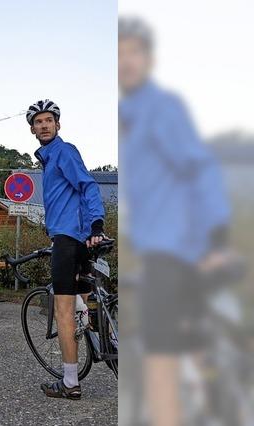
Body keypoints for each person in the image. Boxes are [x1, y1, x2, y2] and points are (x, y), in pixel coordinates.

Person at [119, 17, 231, 425]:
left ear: (148, 59)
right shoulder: (127, 113)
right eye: (118, 54)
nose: (125, 61)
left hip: (175, 244)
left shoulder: (161, 109)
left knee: (158, 358)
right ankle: (209, 378)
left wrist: (216, 237)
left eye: (133, 52)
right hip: (152, 248)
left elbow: (199, 168)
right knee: (176, 344)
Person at [27, 99, 106, 400]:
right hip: (77, 238)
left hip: (69, 238)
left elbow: (88, 186)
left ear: (58, 125)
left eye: (49, 120)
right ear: (33, 129)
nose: (44, 125)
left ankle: (70, 382)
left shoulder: (63, 151)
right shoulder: (50, 159)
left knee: (62, 312)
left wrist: (96, 224)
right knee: (82, 303)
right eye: (39, 122)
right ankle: (106, 334)